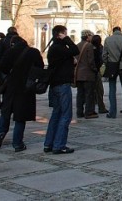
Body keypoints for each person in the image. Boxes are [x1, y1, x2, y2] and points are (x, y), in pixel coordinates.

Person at [0, 36, 44, 152]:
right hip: (26, 87)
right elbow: (40, 67)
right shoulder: (33, 52)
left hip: (11, 86)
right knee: (21, 116)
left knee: (6, 112)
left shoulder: (10, 52)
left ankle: (0, 133)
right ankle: (17, 143)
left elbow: (2, 67)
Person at [44, 25, 79, 154]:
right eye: (65, 33)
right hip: (62, 84)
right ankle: (59, 145)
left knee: (56, 114)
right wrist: (67, 39)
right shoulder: (60, 47)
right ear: (60, 34)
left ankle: (49, 143)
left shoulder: (54, 47)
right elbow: (75, 50)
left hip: (54, 84)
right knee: (66, 115)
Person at [103, 26, 122, 118]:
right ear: (120, 31)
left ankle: (112, 112)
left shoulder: (108, 39)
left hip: (112, 66)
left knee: (112, 89)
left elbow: (104, 55)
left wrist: (108, 63)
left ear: (113, 31)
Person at [0, 26, 18, 111]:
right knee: (9, 87)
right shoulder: (19, 41)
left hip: (0, 67)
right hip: (12, 68)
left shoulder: (3, 41)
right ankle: (7, 104)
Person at [75, 30, 98, 119]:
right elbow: (91, 61)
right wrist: (95, 69)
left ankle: (79, 112)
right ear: (88, 36)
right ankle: (89, 112)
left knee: (80, 94)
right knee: (89, 94)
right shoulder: (89, 46)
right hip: (88, 74)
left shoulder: (77, 45)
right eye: (91, 36)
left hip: (79, 74)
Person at [91, 34, 108, 114]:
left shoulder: (89, 47)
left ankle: (93, 105)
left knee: (91, 90)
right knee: (99, 90)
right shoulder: (99, 48)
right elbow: (101, 59)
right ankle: (101, 107)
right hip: (96, 71)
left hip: (91, 71)